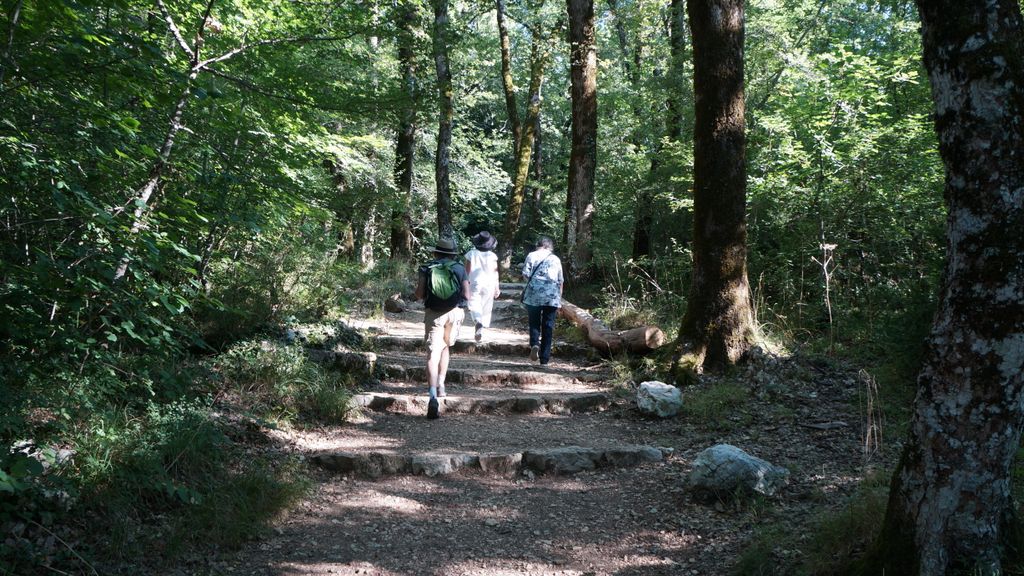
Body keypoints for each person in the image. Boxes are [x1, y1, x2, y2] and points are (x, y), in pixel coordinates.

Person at [415, 237, 471, 418]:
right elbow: (467, 294)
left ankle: (432, 395)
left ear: (435, 252)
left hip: (434, 313)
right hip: (454, 312)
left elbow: (419, 294)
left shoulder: (426, 268)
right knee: (446, 346)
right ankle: (441, 385)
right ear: (453, 254)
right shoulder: (459, 268)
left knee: (433, 353)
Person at [521, 236, 563, 366]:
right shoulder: (555, 259)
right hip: (551, 296)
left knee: (534, 322)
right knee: (548, 325)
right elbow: (560, 280)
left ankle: (534, 344)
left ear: (538, 245)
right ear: (549, 246)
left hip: (534, 295)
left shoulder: (531, 255)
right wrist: (559, 299)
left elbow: (525, 275)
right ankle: (544, 359)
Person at [464, 231, 500, 343]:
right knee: (486, 306)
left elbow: (467, 270)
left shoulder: (471, 254)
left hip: (474, 282)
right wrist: (497, 287)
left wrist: (464, 282)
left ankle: (478, 321)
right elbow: (495, 272)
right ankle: (481, 327)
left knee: (474, 303)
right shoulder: (493, 256)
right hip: (489, 283)